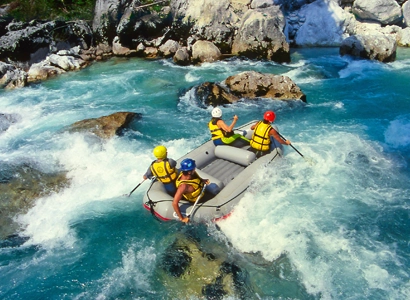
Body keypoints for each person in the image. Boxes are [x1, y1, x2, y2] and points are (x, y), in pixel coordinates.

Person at [172, 158, 210, 223]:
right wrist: (182, 218)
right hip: (197, 200)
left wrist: (203, 180)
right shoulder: (183, 187)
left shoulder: (190, 174)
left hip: (201, 192)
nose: (195, 169)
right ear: (189, 172)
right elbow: (174, 203)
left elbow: (196, 180)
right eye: (193, 168)